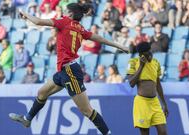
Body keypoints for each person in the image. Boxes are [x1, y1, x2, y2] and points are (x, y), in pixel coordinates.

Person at [9, 3, 129, 135]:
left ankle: (107, 133)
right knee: (42, 93)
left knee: (87, 110)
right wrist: (119, 46)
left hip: (70, 71)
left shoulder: (64, 21)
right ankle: (27, 119)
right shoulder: (80, 28)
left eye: (66, 11)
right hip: (63, 70)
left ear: (71, 13)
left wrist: (24, 14)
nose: (64, 13)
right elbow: (99, 38)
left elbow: (38, 21)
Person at [127, 42, 168, 135]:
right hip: (142, 103)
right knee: (145, 133)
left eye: (150, 52)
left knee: (163, 132)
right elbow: (131, 83)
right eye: (147, 53)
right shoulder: (133, 62)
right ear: (141, 55)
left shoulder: (156, 63)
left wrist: (164, 103)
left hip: (155, 102)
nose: (150, 55)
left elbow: (158, 84)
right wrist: (141, 66)